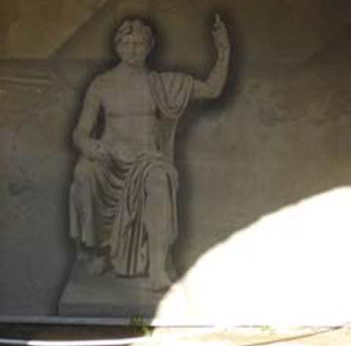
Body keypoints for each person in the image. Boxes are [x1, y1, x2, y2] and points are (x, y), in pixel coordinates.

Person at [68, 15, 230, 292]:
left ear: (149, 47)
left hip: (147, 159)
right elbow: (80, 132)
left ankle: (156, 267)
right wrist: (89, 146)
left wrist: (224, 51)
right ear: (117, 47)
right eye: (127, 43)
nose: (133, 49)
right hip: (109, 158)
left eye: (139, 44)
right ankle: (99, 250)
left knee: (158, 181)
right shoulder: (102, 84)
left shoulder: (163, 84)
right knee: (84, 172)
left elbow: (212, 89)